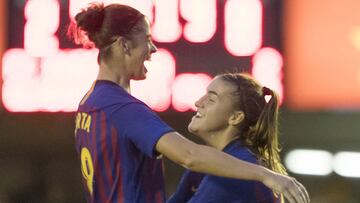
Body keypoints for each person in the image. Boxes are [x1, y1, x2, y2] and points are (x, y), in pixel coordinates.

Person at [68, 2, 310, 203]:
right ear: (124, 45)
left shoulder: (89, 104)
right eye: (148, 40)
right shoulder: (121, 107)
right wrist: (267, 176)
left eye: (212, 96)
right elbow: (189, 155)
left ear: (236, 117)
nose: (152, 49)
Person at [168, 73, 288, 202]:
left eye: (211, 99)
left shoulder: (237, 169)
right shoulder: (211, 165)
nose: (198, 103)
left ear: (235, 117)